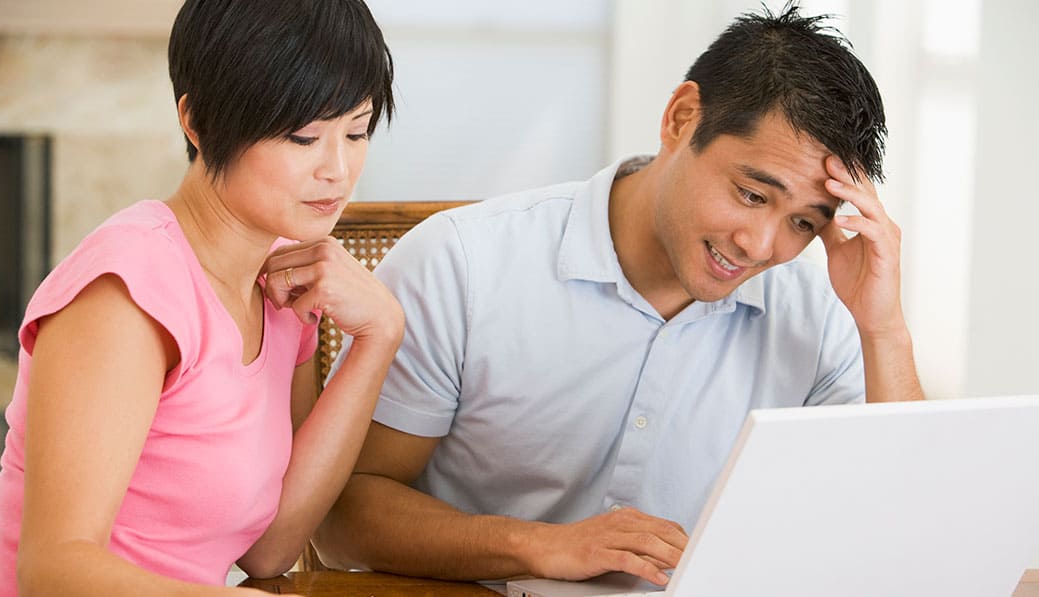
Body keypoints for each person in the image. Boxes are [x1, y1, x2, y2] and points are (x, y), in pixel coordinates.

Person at [310, 5, 925, 588]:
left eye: (803, 223)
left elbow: (910, 537)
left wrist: (885, 329)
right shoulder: (462, 263)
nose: (760, 245)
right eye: (752, 194)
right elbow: (341, 520)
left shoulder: (817, 313)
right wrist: (539, 545)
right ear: (682, 119)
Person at [0, 1, 402, 595]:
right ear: (198, 122)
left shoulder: (284, 284)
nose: (337, 168)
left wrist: (379, 337)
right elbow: (55, 569)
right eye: (304, 136)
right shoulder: (126, 292)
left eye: (356, 131)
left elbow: (272, 547)